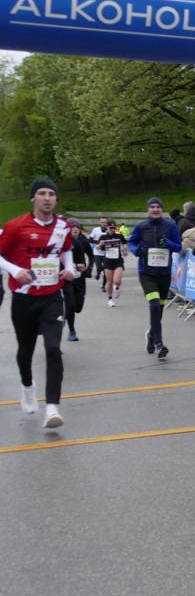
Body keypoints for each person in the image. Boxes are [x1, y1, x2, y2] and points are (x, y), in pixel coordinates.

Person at [0, 177, 77, 428]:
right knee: (26, 351)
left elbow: (66, 249)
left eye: (51, 194)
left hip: (52, 296)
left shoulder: (63, 226)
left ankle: (52, 408)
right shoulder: (15, 226)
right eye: (42, 193)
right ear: (33, 197)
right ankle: (27, 386)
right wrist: (15, 270)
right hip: (24, 298)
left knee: (53, 349)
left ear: (56, 199)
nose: (47, 198)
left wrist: (69, 268)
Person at [128, 197, 182, 360]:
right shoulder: (141, 226)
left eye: (158, 206)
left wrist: (168, 243)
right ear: (148, 210)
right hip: (146, 273)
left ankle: (151, 335)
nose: (155, 209)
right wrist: (137, 251)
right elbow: (131, 242)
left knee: (159, 309)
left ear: (162, 209)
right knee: (154, 305)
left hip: (164, 275)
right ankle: (159, 344)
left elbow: (178, 246)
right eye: (152, 207)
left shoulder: (170, 226)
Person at [63, 219, 94, 342]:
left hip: (79, 278)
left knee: (78, 308)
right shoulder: (61, 242)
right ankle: (71, 330)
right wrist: (75, 266)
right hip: (67, 278)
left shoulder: (82, 242)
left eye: (77, 227)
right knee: (70, 305)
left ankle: (67, 311)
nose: (74, 229)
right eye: (72, 227)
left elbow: (90, 256)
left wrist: (88, 269)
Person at [97, 220, 127, 306]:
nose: (112, 229)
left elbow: (125, 244)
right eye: (111, 228)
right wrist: (101, 244)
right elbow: (97, 248)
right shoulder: (103, 237)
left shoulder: (119, 236)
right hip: (107, 261)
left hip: (118, 260)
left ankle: (116, 288)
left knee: (117, 280)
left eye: (114, 228)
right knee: (109, 281)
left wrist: (125, 250)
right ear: (107, 227)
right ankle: (110, 299)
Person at [89, 216, 110, 292]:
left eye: (105, 222)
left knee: (106, 271)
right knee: (99, 268)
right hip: (97, 252)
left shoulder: (110, 230)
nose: (103, 223)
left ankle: (103, 286)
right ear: (100, 223)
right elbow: (90, 240)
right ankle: (98, 272)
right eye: (102, 222)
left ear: (107, 223)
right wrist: (99, 242)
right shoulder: (96, 230)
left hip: (107, 253)